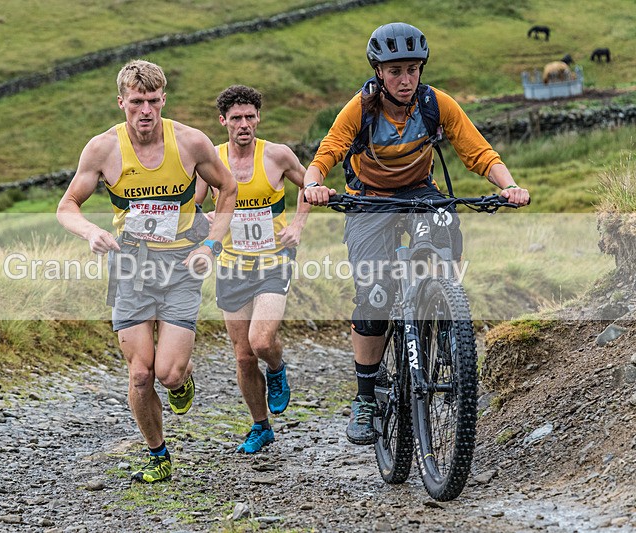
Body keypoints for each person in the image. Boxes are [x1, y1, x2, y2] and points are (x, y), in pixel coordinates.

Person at [303, 23, 530, 445]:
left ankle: (444, 316)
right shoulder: (361, 108)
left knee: (443, 232)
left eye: (412, 69)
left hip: (420, 193)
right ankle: (366, 397)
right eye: (395, 72)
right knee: (374, 293)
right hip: (369, 199)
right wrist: (314, 182)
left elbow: (476, 150)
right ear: (378, 72)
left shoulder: (434, 104)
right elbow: (329, 150)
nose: (405, 80)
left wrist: (508, 185)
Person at [57, 59, 237, 483]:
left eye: (153, 101)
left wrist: (212, 243)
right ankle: (158, 455)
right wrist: (89, 232)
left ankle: (182, 380)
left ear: (163, 100)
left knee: (167, 372)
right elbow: (67, 206)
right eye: (137, 101)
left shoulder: (191, 143)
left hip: (181, 266)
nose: (145, 111)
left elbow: (228, 189)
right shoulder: (102, 149)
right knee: (140, 373)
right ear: (122, 102)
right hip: (131, 267)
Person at [195, 85, 309, 453]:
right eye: (236, 118)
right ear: (223, 121)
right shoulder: (211, 159)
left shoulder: (277, 156)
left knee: (261, 342)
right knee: (243, 356)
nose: (244, 124)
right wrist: (204, 218)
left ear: (258, 117)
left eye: (250, 117)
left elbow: (311, 184)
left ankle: (276, 369)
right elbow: (190, 205)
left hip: (273, 261)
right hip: (231, 266)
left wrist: (296, 226)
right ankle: (261, 426)